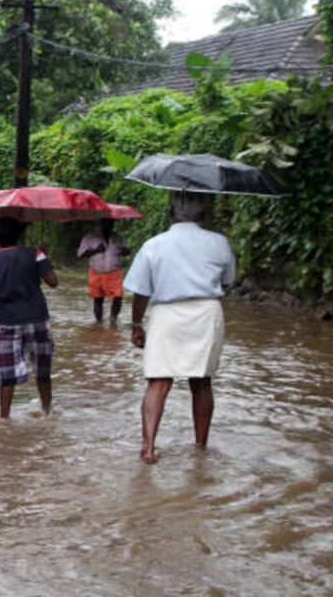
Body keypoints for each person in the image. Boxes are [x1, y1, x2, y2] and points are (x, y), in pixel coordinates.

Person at [123, 193, 236, 464]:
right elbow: (229, 280)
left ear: (171, 213)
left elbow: (140, 292)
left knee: (158, 382)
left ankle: (148, 448)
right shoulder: (219, 243)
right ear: (202, 214)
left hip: (166, 315)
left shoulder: (154, 245)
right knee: (201, 381)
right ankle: (200, 445)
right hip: (206, 313)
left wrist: (137, 325)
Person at [0, 218, 59, 418]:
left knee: (6, 375)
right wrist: (45, 260)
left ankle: (4, 418)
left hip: (7, 322)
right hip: (37, 319)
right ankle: (47, 412)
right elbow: (53, 282)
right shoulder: (35, 254)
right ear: (19, 236)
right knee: (42, 371)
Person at [77, 219, 131, 324]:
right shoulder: (89, 237)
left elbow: (127, 250)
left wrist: (125, 251)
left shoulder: (118, 238)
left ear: (113, 225)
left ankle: (113, 319)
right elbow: (81, 254)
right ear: (100, 224)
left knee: (118, 297)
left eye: (110, 224)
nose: (108, 226)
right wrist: (95, 250)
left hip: (114, 272)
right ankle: (99, 322)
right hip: (96, 272)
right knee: (98, 300)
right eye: (105, 224)